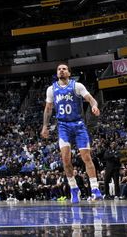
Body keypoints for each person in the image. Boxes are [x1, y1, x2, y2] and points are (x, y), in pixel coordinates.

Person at [40, 63, 104, 203]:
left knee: (86, 157)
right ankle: (74, 188)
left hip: (79, 125)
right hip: (63, 126)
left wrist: (94, 106)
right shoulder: (51, 89)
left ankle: (95, 189)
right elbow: (48, 109)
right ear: (57, 73)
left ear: (69, 73)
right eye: (59, 69)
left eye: (64, 69)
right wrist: (45, 126)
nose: (61, 71)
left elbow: (90, 98)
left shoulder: (77, 86)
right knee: (65, 159)